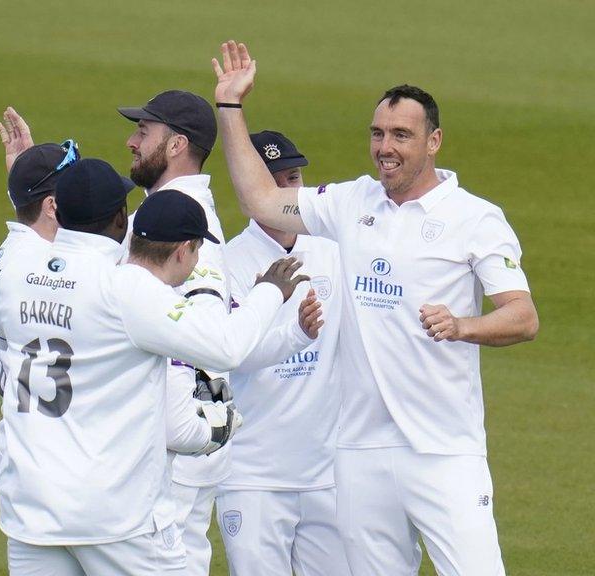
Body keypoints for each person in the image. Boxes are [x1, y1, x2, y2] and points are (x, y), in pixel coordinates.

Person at [213, 40, 539, 575]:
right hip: (359, 453)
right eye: (378, 134)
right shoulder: (350, 202)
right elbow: (261, 201)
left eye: (402, 136)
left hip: (443, 450)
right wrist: (230, 108)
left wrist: (463, 325)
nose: (386, 147)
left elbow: (522, 317)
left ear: (434, 141)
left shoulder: (476, 218)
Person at [0, 158, 307, 575]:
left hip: (30, 507)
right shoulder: (123, 286)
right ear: (121, 218)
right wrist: (270, 291)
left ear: (58, 212)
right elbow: (226, 345)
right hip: (115, 514)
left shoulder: (14, 270)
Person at [218, 130, 349, 575]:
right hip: (252, 475)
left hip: (326, 472)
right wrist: (294, 333)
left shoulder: (333, 252)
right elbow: (227, 353)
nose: (290, 191)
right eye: (276, 180)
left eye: (294, 177)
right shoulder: (226, 263)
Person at [118, 89, 231, 575]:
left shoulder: (180, 218)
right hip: (180, 435)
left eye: (144, 132)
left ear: (176, 144)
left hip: (176, 440)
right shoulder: (168, 207)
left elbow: (202, 329)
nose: (131, 141)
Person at [0, 107, 78, 395]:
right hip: (57, 426)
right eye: (74, 188)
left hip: (24, 420)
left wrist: (22, 177)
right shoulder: (46, 270)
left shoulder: (12, 253)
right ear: (51, 206)